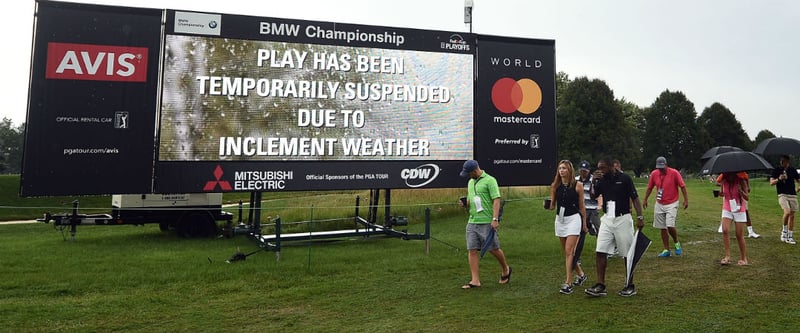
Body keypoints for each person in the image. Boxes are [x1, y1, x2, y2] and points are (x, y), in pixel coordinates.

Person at [585, 157, 645, 297]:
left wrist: (640, 217)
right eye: (599, 168)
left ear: (613, 166)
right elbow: (594, 196)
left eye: (603, 168)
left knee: (627, 254)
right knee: (600, 250)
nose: (601, 171)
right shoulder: (601, 180)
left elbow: (635, 198)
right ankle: (600, 285)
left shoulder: (625, 179)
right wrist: (594, 181)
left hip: (622, 218)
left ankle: (630, 285)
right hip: (607, 218)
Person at [458, 160, 512, 289]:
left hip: (487, 221)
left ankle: (506, 269)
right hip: (472, 221)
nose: (468, 176)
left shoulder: (490, 180)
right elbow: (472, 201)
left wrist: (495, 219)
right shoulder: (470, 182)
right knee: (472, 249)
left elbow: (496, 200)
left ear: (474, 171)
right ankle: (475, 280)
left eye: (468, 173)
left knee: (493, 248)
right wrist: (466, 204)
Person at [546, 160, 588, 294]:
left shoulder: (577, 186)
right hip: (560, 219)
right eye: (560, 168)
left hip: (574, 219)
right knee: (567, 251)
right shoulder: (555, 186)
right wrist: (547, 205)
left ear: (569, 170)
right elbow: (553, 206)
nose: (561, 171)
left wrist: (584, 223)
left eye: (564, 168)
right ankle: (581, 274)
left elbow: (582, 206)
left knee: (569, 251)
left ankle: (568, 282)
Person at [642, 156, 688, 257]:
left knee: (670, 225)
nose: (661, 169)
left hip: (672, 202)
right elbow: (650, 187)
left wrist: (685, 200)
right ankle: (666, 249)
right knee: (662, 227)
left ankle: (676, 243)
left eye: (662, 167)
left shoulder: (674, 173)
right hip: (659, 203)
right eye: (659, 168)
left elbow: (683, 186)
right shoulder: (654, 174)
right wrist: (645, 199)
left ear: (666, 165)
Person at [574, 160, 599, 286]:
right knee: (579, 235)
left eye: (585, 170)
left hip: (592, 209)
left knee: (599, 230)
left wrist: (599, 204)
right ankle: (577, 257)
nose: (583, 172)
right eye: (581, 170)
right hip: (580, 210)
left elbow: (596, 195)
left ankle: (604, 252)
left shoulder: (593, 179)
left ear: (589, 170)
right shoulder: (576, 179)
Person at [715, 172, 760, 238]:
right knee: (727, 212)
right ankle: (723, 226)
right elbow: (717, 182)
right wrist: (725, 184)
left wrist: (744, 188)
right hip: (729, 196)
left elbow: (747, 185)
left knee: (746, 212)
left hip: (740, 196)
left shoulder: (743, 174)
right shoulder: (725, 174)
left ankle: (750, 231)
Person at [719, 172, 749, 265]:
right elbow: (723, 194)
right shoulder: (723, 180)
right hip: (727, 207)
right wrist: (720, 194)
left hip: (739, 208)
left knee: (739, 235)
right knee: (725, 230)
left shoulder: (741, 180)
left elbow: (747, 197)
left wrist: (741, 191)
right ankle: (727, 256)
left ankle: (744, 258)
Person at [770, 155, 800, 245]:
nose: (782, 163)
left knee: (792, 215)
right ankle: (784, 231)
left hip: (792, 194)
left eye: (784, 161)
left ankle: (790, 236)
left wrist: (799, 186)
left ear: (787, 161)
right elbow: (771, 183)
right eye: (781, 161)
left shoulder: (793, 170)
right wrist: (779, 179)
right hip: (782, 194)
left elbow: (799, 180)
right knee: (787, 212)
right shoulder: (777, 170)